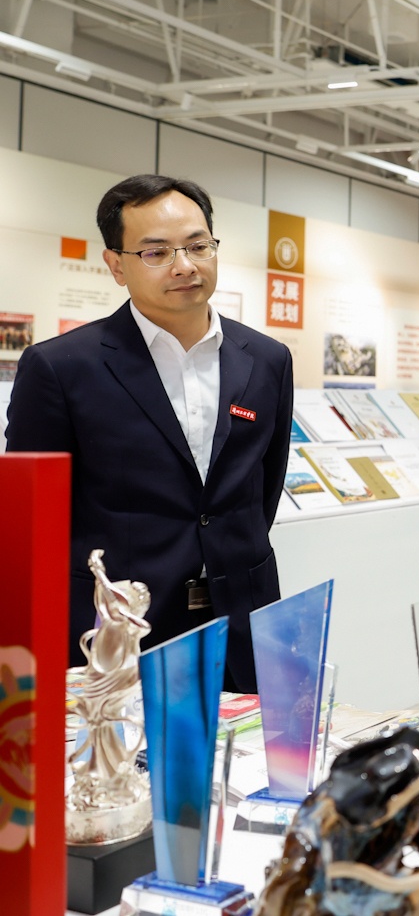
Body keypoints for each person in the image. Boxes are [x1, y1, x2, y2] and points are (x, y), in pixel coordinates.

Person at [5, 174, 292, 692]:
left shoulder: (267, 359)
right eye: (156, 252)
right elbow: (32, 524)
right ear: (116, 265)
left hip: (243, 623)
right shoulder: (62, 367)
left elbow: (262, 491)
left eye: (198, 246)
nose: (185, 265)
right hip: (121, 634)